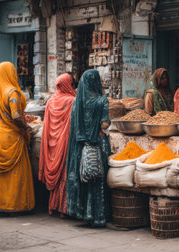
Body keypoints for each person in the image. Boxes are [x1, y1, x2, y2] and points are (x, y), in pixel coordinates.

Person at [0, 62, 35, 213]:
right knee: (16, 171)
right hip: (13, 136)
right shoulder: (12, 93)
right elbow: (17, 116)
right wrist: (26, 127)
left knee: (0, 172)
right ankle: (14, 204)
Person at [66, 69, 111, 227]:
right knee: (98, 178)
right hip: (99, 143)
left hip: (81, 147)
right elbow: (105, 124)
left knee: (84, 176)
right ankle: (99, 216)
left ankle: (84, 213)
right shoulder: (102, 101)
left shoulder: (76, 103)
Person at [39, 73, 76, 217]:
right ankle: (63, 209)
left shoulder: (50, 101)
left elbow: (46, 125)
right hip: (66, 143)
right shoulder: (72, 101)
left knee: (58, 176)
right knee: (64, 175)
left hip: (52, 145)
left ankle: (53, 206)